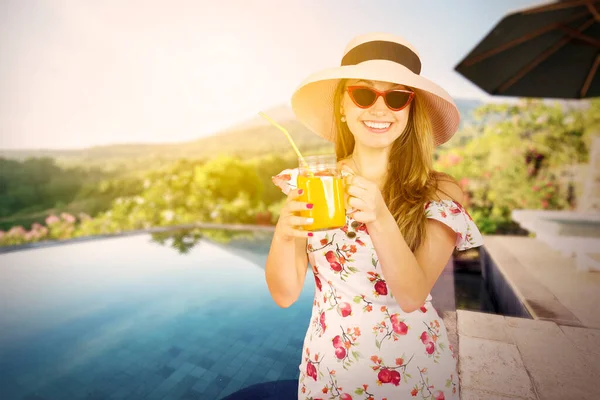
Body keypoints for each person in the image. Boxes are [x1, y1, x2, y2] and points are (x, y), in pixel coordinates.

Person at [265, 32, 484, 400]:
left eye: (397, 97)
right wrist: (285, 236)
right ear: (342, 106)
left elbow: (413, 295)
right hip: (330, 373)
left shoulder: (439, 191)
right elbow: (284, 295)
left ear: (410, 110)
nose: (380, 110)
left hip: (415, 373)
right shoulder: (313, 183)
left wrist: (380, 216)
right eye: (363, 94)